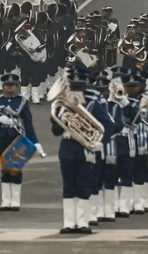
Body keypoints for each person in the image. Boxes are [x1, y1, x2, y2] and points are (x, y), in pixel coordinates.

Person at [53, 67, 114, 235]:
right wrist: (60, 116)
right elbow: (55, 131)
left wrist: (100, 142)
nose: (76, 89)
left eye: (79, 86)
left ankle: (82, 222)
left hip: (85, 147)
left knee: (84, 185)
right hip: (67, 146)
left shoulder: (93, 102)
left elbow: (108, 126)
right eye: (73, 85)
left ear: (85, 85)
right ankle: (68, 222)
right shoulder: (62, 103)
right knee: (68, 186)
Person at [0, 72, 42, 211]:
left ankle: (15, 200)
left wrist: (35, 142)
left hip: (17, 139)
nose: (10, 87)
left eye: (12, 85)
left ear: (17, 86)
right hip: (2, 139)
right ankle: (5, 200)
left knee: (15, 169)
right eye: (7, 85)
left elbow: (28, 124)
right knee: (4, 170)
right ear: (3, 86)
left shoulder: (22, 101)